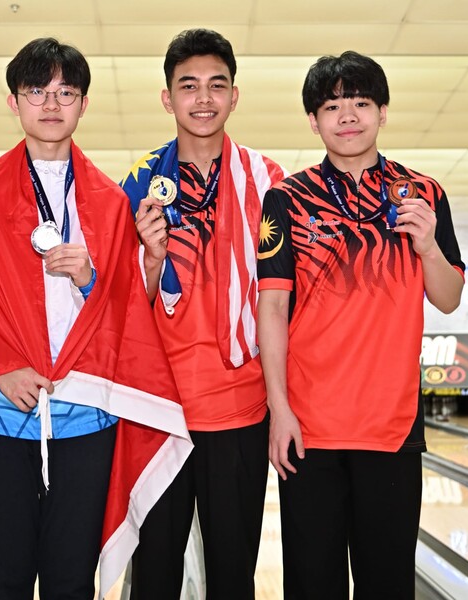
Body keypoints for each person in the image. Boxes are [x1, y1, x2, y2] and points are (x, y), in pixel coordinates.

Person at [0, 38, 192, 599]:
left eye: (65, 93)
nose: (51, 105)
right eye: (37, 92)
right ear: (14, 102)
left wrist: (93, 278)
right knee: (3, 580)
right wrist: (0, 367)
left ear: (83, 104)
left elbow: (130, 314)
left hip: (83, 416)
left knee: (70, 582)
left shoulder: (107, 199)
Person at [256, 50, 465, 599]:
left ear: (382, 111)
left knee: (387, 583)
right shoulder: (285, 199)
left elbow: (448, 298)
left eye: (360, 102)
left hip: (392, 427)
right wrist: (278, 410)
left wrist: (426, 246)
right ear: (313, 120)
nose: (347, 115)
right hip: (309, 427)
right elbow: (272, 308)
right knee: (312, 584)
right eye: (332, 105)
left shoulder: (425, 194)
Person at [120, 28, 286, 600]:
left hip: (239, 408)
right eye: (188, 86)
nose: (203, 98)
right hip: (158, 409)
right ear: (168, 98)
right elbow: (120, 310)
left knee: (233, 574)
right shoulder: (137, 186)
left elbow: (281, 298)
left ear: (234, 96)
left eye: (217, 85)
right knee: (155, 574)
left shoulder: (269, 183)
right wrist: (150, 258)